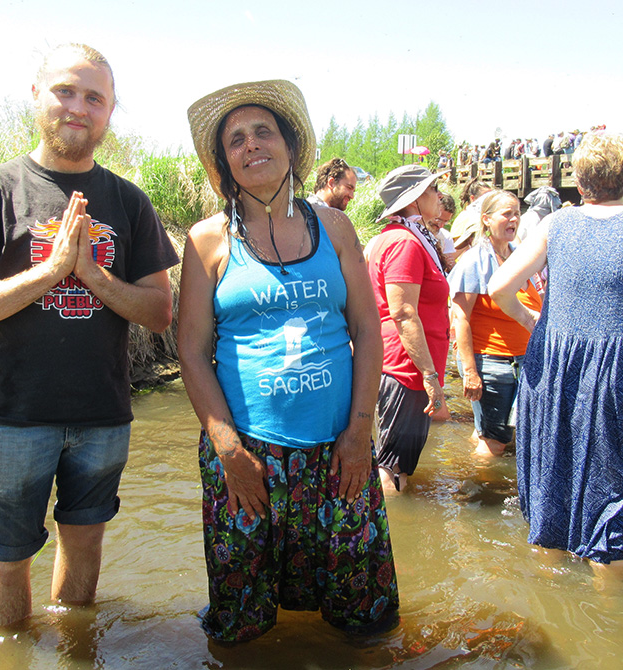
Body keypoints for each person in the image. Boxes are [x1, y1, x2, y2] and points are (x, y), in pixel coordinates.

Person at [0, 44, 178, 627]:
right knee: (7, 557)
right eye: (65, 91)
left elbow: (160, 312)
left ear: (111, 112)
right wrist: (50, 271)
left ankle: (73, 652)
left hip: (103, 417)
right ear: (36, 95)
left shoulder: (130, 202)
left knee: (84, 546)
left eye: (95, 98)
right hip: (16, 419)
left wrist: (90, 274)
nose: (78, 107)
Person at [179, 80, 399, 642]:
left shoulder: (336, 228)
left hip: (338, 448)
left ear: (291, 148)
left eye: (263, 132)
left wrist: (359, 432)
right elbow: (191, 350)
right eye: (235, 140)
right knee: (243, 619)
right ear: (224, 163)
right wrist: (228, 449)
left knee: (362, 618)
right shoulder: (206, 242)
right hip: (247, 454)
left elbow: (368, 331)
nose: (252, 145)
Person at [489, 132, 623, 586]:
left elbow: (499, 290)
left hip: (550, 365)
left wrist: (534, 323)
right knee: (613, 493)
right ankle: (610, 626)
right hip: (617, 368)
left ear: (579, 181)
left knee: (551, 483)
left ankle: (550, 611)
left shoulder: (557, 224)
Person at [365, 165, 450, 492]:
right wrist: (430, 377)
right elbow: (402, 313)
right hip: (406, 368)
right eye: (431, 189)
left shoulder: (398, 238)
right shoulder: (405, 243)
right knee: (394, 467)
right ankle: (389, 535)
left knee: (395, 459)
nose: (438, 195)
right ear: (413, 200)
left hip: (401, 365)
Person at [448, 190, 542, 456]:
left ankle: (475, 462)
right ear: (487, 219)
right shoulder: (474, 262)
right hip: (491, 361)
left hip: (524, 358)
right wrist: (470, 372)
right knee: (495, 441)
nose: (514, 219)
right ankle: (481, 493)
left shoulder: (520, 256)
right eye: (506, 214)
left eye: (517, 214)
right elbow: (461, 317)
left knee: (500, 434)